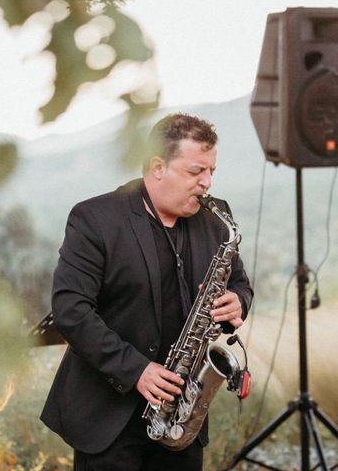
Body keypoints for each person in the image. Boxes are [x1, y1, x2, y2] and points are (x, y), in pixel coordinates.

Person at [40, 113, 253, 470]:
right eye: (195, 171)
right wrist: (137, 370)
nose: (207, 183)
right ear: (158, 167)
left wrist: (238, 303)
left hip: (182, 413)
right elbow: (71, 311)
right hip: (108, 416)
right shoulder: (96, 219)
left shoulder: (217, 219)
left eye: (211, 171)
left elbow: (239, 283)